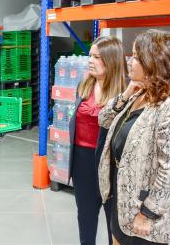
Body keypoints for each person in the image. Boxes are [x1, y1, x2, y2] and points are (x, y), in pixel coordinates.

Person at [98, 29, 170, 245]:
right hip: (121, 202)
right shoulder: (140, 94)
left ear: (155, 63)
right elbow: (103, 119)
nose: (130, 62)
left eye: (137, 57)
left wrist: (148, 213)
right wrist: (127, 92)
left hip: (144, 215)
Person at [69, 36, 127, 245]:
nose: (90, 61)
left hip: (110, 162)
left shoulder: (125, 92)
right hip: (82, 160)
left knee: (114, 219)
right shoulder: (83, 85)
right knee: (85, 215)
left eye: (96, 57)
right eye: (90, 56)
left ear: (111, 61)